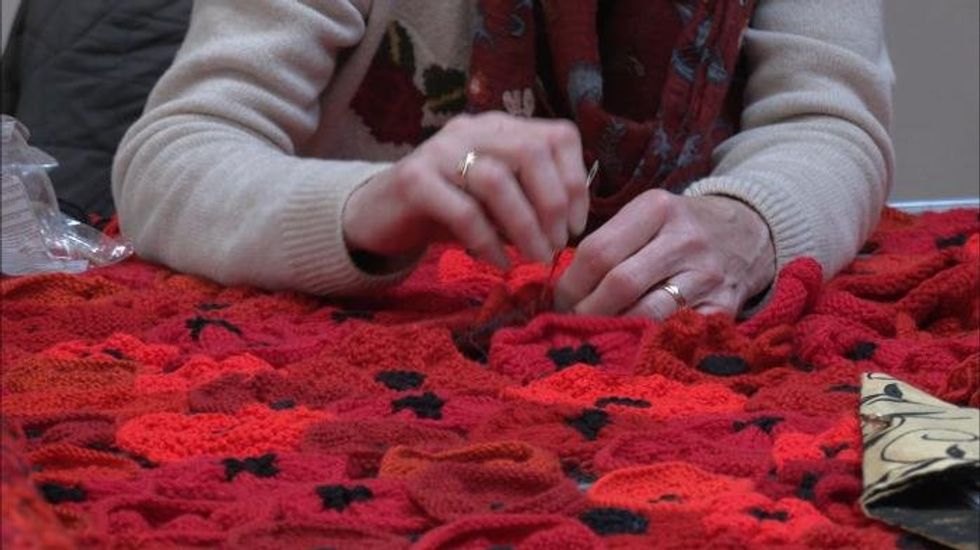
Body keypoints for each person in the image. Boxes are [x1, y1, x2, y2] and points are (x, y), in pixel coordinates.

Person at [112, 0, 893, 320]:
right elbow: (173, 155)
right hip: (367, 378)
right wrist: (365, 207)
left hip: (689, 379)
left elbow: (829, 122)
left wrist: (744, 223)